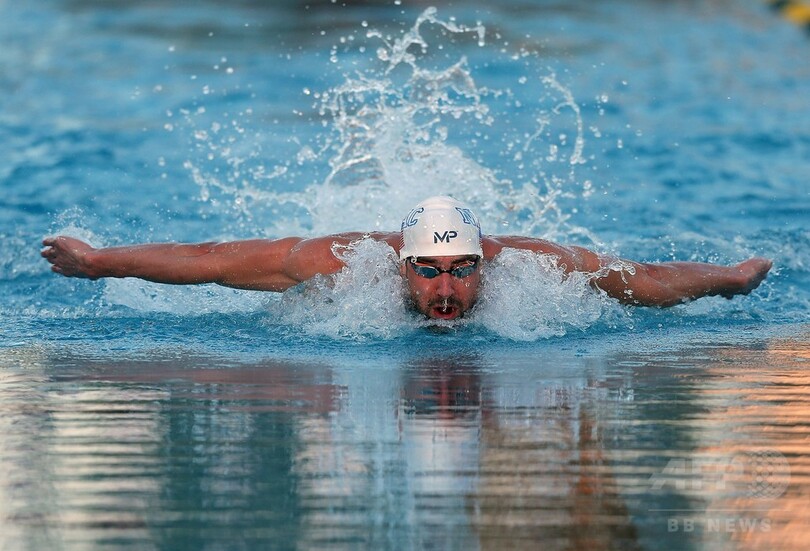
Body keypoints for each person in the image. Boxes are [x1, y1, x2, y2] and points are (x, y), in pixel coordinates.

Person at [41, 196, 772, 321]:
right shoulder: (335, 264)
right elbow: (210, 257)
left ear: (486, 259)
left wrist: (728, 282)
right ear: (401, 264)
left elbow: (642, 279)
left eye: (461, 270)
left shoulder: (534, 268)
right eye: (429, 270)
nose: (446, 288)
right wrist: (100, 261)